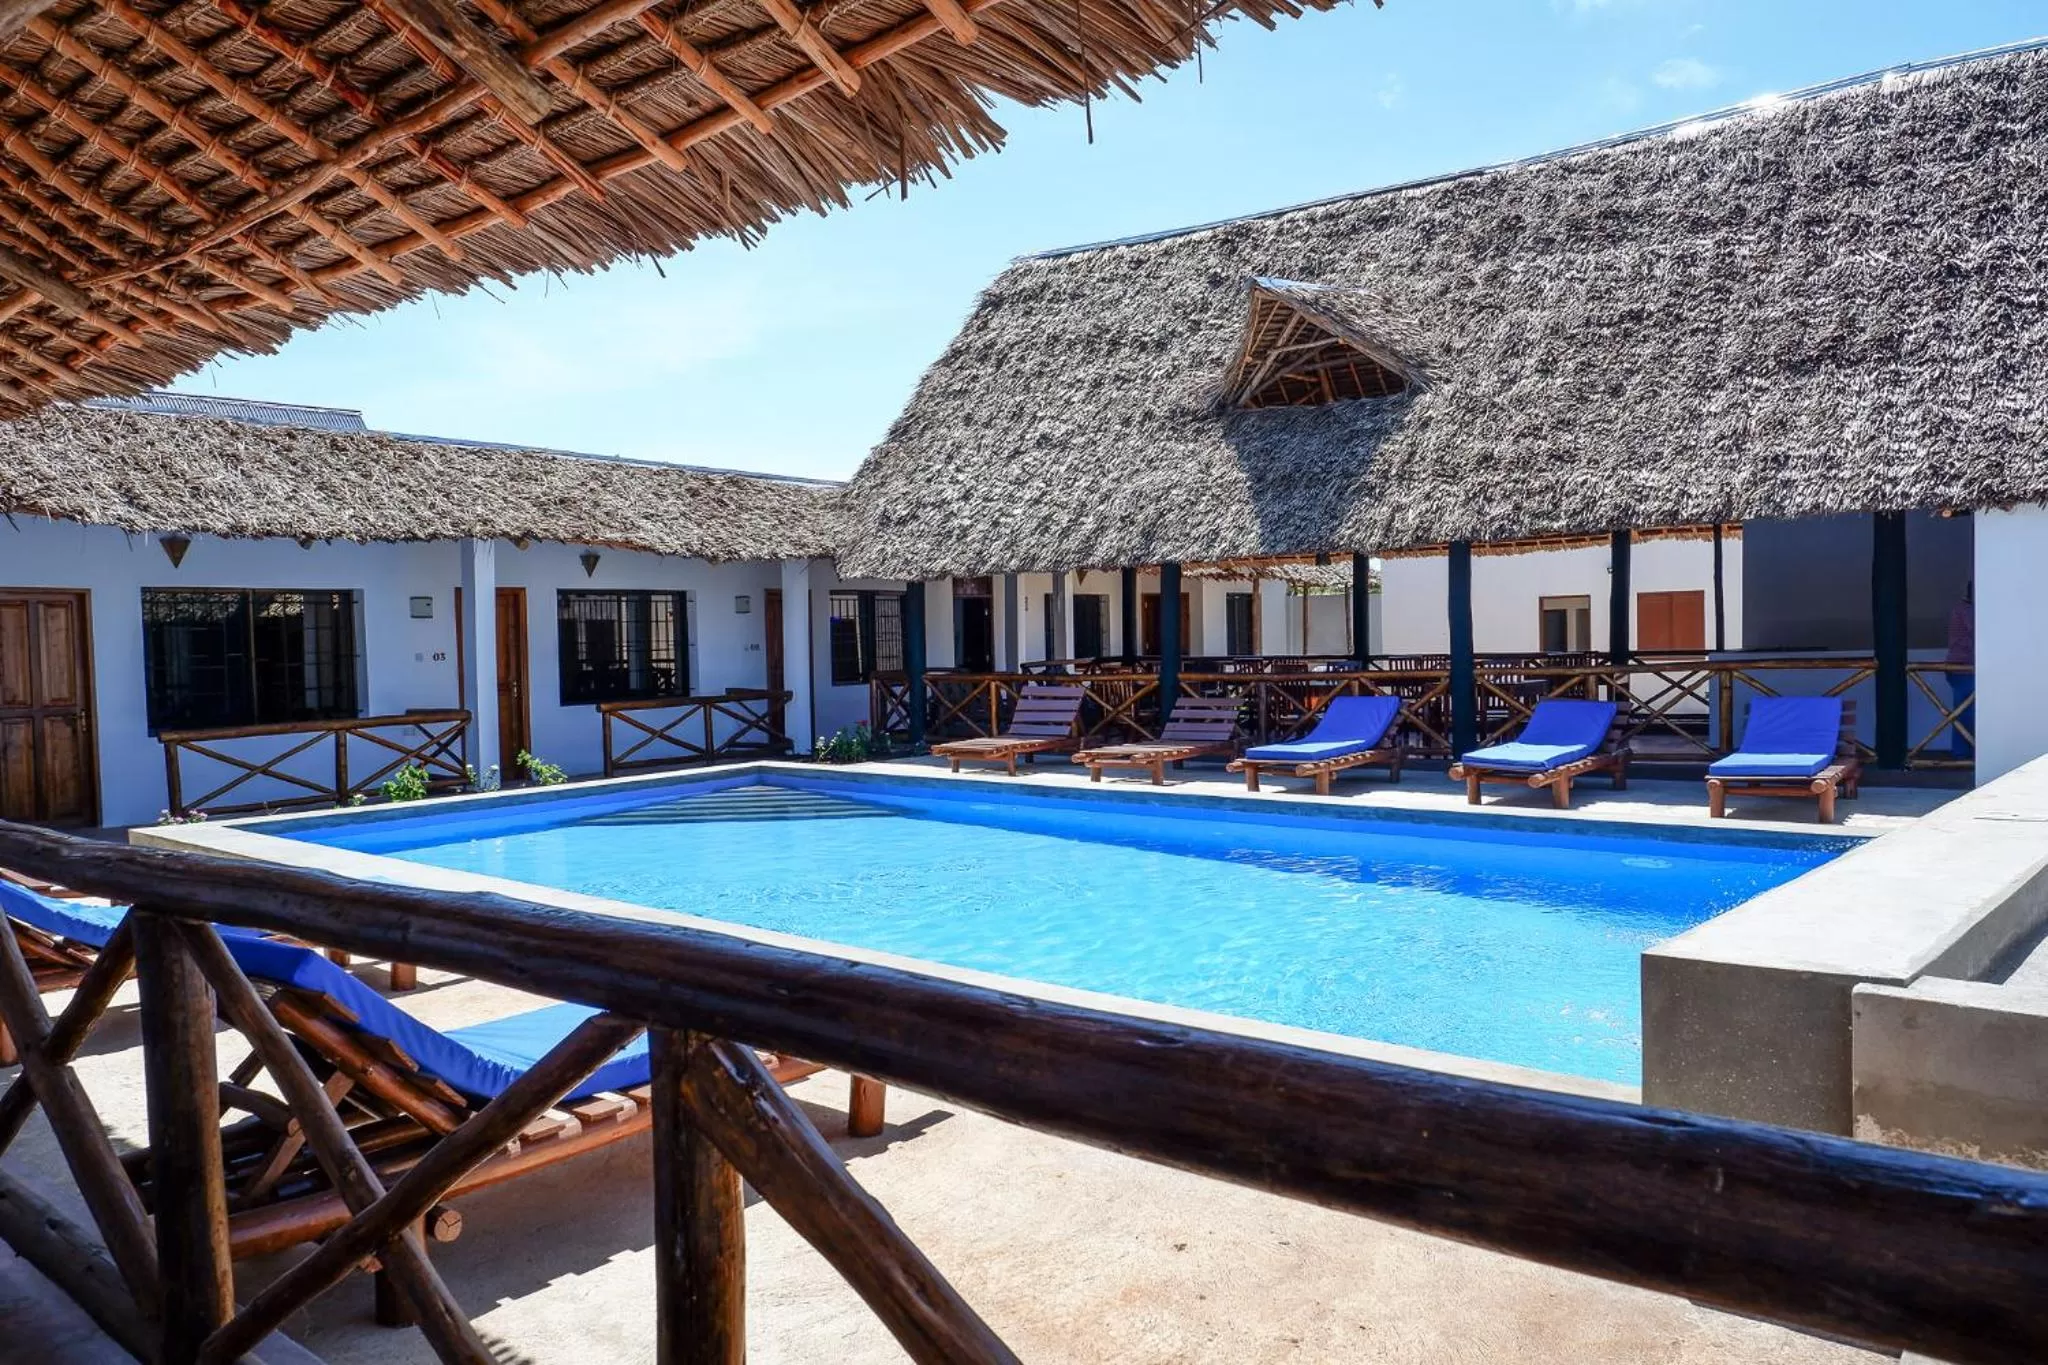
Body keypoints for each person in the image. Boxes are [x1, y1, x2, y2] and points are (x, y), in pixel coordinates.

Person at [1947, 582, 1975, 760]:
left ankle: (1963, 753)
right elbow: (1979, 631)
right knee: (1966, 712)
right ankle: (1965, 753)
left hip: (1960, 667)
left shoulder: (1961, 609)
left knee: (1963, 712)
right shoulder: (1967, 610)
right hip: (1963, 667)